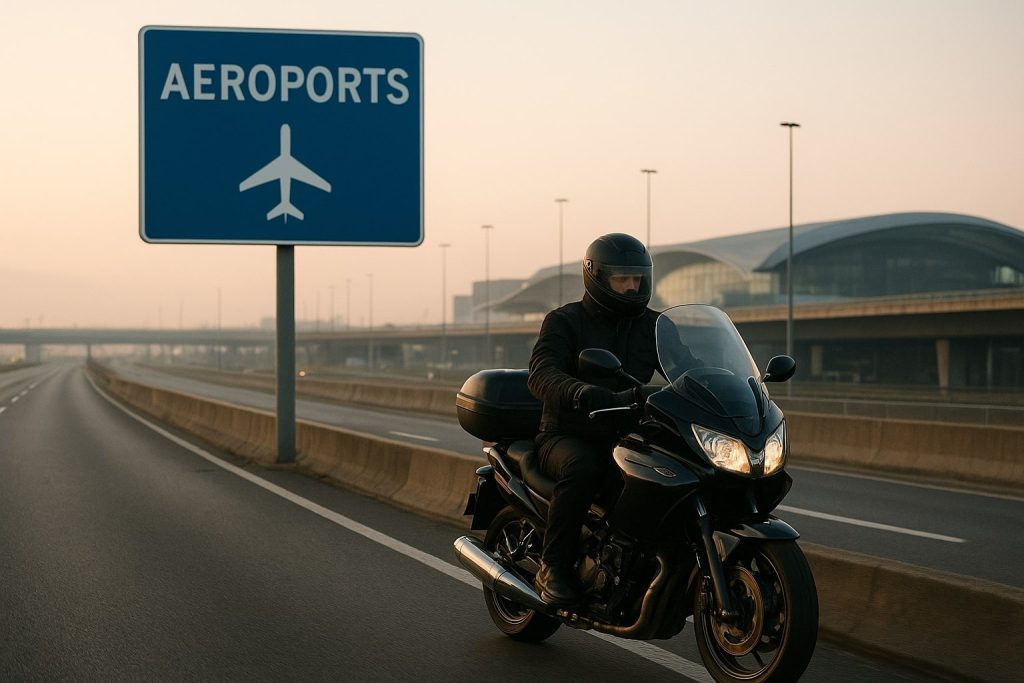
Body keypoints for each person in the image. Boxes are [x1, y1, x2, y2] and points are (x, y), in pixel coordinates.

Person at [526, 233, 666, 607]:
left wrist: (721, 384)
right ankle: (552, 566)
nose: (632, 286)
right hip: (568, 433)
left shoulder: (655, 326)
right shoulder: (565, 321)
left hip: (627, 433)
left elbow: (688, 367)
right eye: (622, 278)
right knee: (583, 468)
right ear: (597, 277)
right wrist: (580, 391)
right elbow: (541, 373)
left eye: (638, 278)